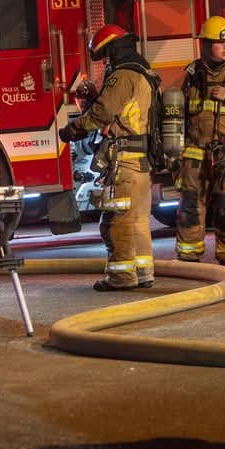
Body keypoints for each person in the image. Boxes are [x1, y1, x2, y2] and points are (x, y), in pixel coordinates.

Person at [61, 25, 159, 292]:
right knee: (137, 220)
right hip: (140, 159)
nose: (107, 61)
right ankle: (143, 272)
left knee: (116, 221)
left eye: (106, 55)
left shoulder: (123, 75)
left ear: (114, 49)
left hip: (124, 160)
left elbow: (103, 114)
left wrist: (71, 130)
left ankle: (122, 276)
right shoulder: (142, 71)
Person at [174, 16, 225, 267]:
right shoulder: (193, 73)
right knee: (189, 205)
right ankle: (189, 255)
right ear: (206, 44)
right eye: (220, 43)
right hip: (195, 151)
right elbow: (181, 113)